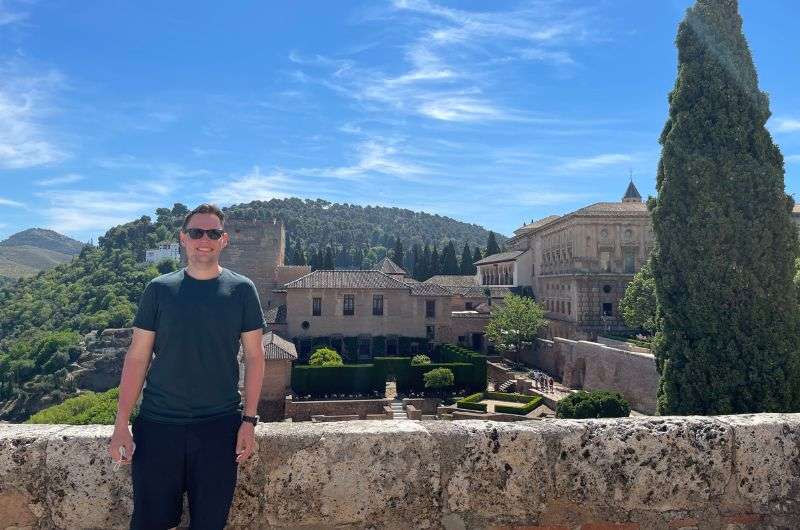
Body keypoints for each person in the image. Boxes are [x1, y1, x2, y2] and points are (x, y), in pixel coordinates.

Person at [107, 203, 266, 530]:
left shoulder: (242, 291)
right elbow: (138, 357)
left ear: (224, 240)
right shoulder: (158, 290)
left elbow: (255, 357)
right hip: (158, 426)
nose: (203, 239)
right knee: (150, 523)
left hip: (219, 429)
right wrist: (121, 422)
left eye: (213, 233)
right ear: (183, 238)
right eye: (196, 232)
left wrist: (248, 421)